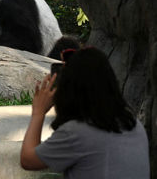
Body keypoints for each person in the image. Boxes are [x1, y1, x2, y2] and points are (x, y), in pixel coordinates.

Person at [20, 47, 150, 179]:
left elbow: (27, 160)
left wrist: (38, 113)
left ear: (70, 87)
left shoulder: (76, 132)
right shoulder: (134, 125)